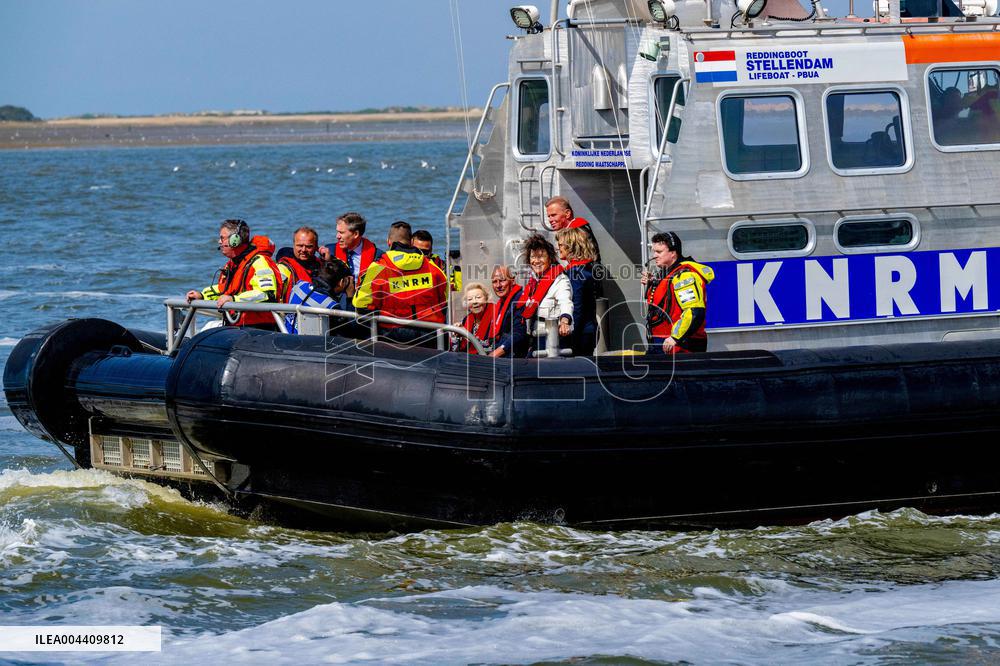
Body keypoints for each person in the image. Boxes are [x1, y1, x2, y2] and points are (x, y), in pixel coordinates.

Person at [352, 220, 449, 346]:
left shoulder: (378, 268)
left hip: (391, 335)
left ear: (389, 242)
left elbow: (361, 305)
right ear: (411, 242)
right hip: (431, 335)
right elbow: (446, 301)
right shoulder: (433, 268)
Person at [185, 219, 284, 330]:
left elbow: (266, 294)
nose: (219, 242)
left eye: (222, 238)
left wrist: (234, 299)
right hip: (236, 326)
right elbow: (225, 289)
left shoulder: (259, 262)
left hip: (258, 327)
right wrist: (202, 295)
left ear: (235, 240)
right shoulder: (233, 264)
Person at [642, 231, 715, 355]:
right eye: (653, 251)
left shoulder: (684, 276)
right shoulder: (666, 274)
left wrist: (675, 338)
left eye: (659, 252)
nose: (654, 256)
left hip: (680, 345)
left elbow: (694, 311)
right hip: (662, 342)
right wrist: (651, 284)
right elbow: (661, 305)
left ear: (673, 253)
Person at [519, 234, 573, 356]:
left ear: (550, 258)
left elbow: (566, 301)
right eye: (533, 257)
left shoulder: (560, 280)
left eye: (541, 256)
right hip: (534, 337)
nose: (536, 261)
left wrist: (564, 321)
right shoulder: (533, 282)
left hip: (551, 339)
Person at [556, 227, 599, 357]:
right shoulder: (585, 269)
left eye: (560, 245)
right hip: (588, 330)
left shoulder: (575, 273)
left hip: (580, 334)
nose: (558, 248)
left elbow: (577, 306)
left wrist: (568, 333)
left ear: (571, 247)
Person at [284, 258, 353, 334]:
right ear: (341, 282)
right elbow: (350, 331)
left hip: (287, 338)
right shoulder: (330, 306)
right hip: (309, 344)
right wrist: (350, 297)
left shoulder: (299, 285)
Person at [321, 212, 383, 285]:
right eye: (337, 232)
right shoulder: (330, 252)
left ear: (355, 234)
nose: (337, 236)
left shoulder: (378, 257)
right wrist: (327, 262)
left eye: (341, 232)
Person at [485, 265, 529, 358]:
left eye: (502, 280)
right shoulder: (501, 303)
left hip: (515, 359)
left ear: (512, 281)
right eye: (494, 282)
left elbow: (519, 333)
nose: (498, 285)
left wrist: (495, 353)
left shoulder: (519, 299)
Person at [545, 196, 602, 264]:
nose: (550, 220)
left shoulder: (579, 230)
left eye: (554, 215)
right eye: (549, 216)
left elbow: (586, 261)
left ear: (567, 213)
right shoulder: (571, 231)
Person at [275, 226, 322, 301]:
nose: (303, 250)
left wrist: (329, 259)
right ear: (294, 245)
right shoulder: (283, 268)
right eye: (300, 246)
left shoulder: (321, 265)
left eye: (308, 246)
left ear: (316, 247)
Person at [456, 282, 494, 353]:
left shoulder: (497, 315)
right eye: (470, 299)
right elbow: (462, 347)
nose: (474, 302)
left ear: (486, 298)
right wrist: (460, 333)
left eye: (478, 297)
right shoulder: (466, 319)